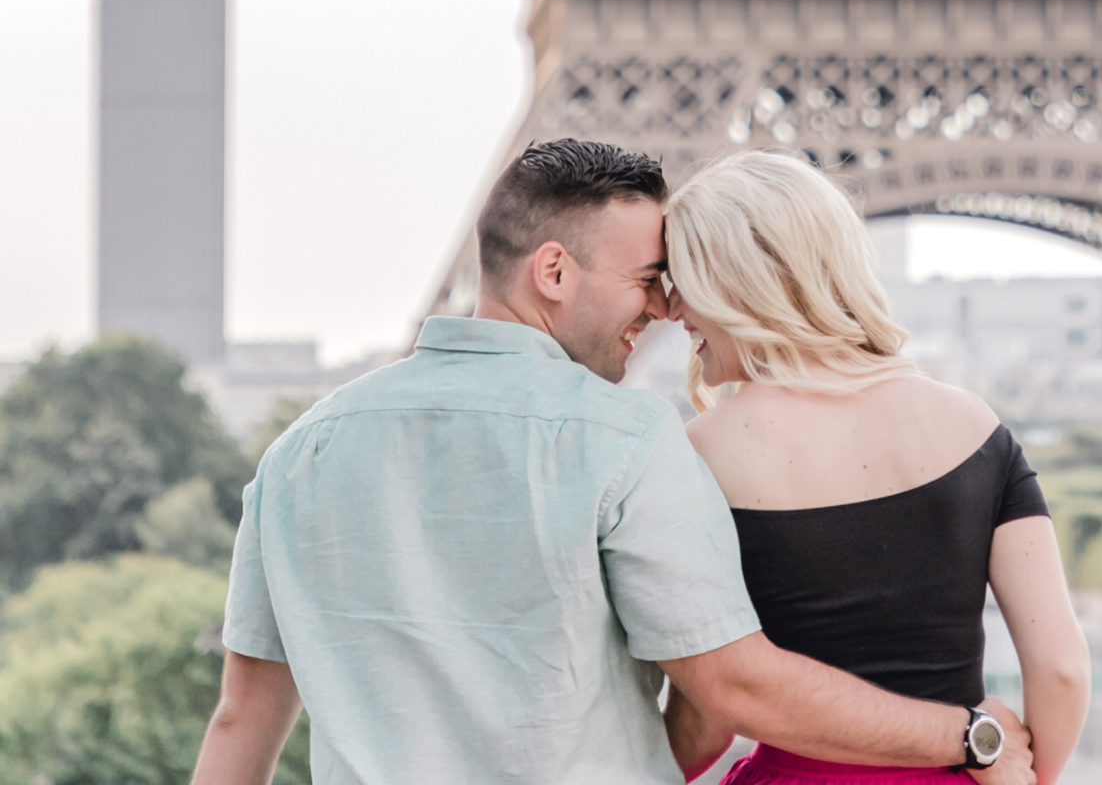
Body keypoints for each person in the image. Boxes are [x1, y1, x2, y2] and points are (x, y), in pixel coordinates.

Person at [189, 139, 1034, 785]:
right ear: (554, 271)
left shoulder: (300, 453)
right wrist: (967, 735)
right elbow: (729, 692)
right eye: (648, 278)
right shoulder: (625, 438)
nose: (666, 309)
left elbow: (240, 721)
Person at [657, 150, 1091, 785]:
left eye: (683, 281)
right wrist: (1017, 772)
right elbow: (1063, 670)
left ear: (737, 282)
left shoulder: (699, 453)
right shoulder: (973, 425)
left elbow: (707, 723)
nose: (670, 309)